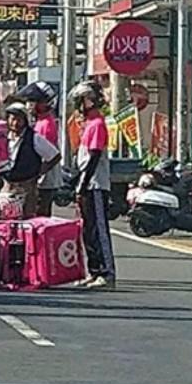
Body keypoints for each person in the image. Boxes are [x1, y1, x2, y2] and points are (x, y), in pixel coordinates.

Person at [70, 80, 116, 290]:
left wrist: (83, 184)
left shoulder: (97, 124)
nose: (79, 105)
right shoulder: (88, 124)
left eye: (81, 101)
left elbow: (94, 158)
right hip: (87, 183)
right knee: (88, 230)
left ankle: (106, 272)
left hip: (95, 184)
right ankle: (94, 270)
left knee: (99, 230)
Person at [2, 102, 61, 218]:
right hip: (8, 186)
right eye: (12, 119)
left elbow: (55, 156)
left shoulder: (34, 138)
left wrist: (38, 173)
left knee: (27, 219)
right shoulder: (4, 138)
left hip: (27, 187)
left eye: (19, 120)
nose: (15, 123)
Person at [16, 81, 62, 216]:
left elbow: (49, 155)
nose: (30, 105)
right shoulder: (39, 123)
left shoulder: (46, 124)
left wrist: (37, 174)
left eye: (34, 101)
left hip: (44, 181)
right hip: (40, 179)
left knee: (40, 215)